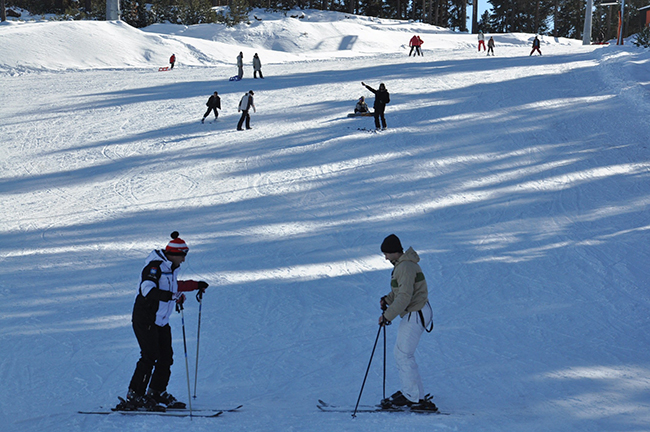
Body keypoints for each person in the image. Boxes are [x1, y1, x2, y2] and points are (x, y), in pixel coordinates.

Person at [116, 232, 209, 411]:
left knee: (166, 357)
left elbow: (174, 286)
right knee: (149, 356)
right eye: (183, 256)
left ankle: (156, 392)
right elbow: (147, 290)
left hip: (160, 321)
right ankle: (135, 395)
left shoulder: (170, 269)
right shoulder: (154, 267)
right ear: (174, 254)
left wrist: (196, 285)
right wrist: (172, 296)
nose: (183, 260)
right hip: (145, 318)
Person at [378, 234, 436, 411]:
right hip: (417, 311)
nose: (386, 257)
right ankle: (413, 394)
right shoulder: (404, 265)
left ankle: (413, 397)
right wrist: (387, 299)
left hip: (415, 312)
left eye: (387, 253)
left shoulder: (405, 266)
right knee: (402, 353)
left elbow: (404, 297)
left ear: (395, 251)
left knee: (403, 354)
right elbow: (401, 291)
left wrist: (387, 316)